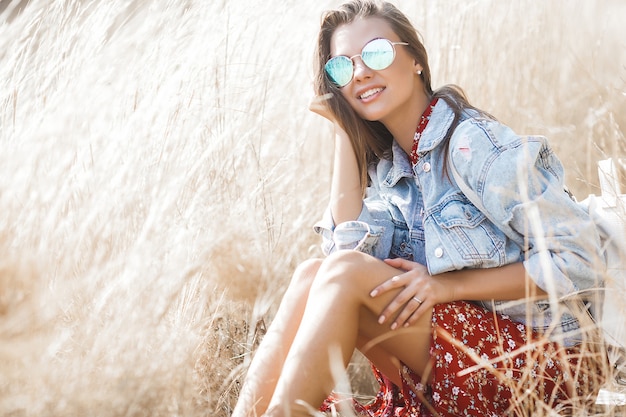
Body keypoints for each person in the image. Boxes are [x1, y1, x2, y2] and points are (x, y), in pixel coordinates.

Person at [232, 1, 607, 416]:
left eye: (376, 52)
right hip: (473, 352)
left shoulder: (472, 145)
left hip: (549, 363)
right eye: (341, 67)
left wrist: (449, 286)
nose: (359, 72)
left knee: (339, 274)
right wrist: (343, 130)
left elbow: (580, 258)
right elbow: (342, 263)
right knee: (310, 276)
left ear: (414, 59)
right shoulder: (393, 169)